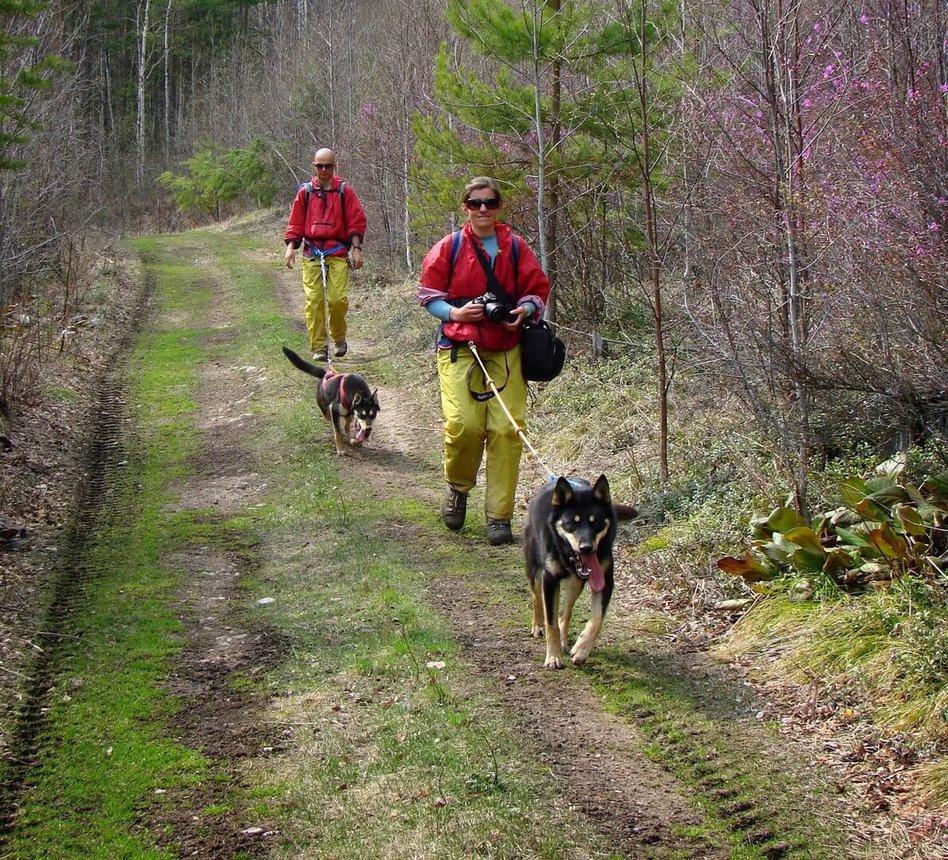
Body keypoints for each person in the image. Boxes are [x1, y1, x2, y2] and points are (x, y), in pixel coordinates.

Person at [417, 177, 551, 546]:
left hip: (506, 350)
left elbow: (536, 289)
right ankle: (458, 489)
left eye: (489, 203)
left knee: (508, 431)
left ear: (498, 207)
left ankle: (499, 516)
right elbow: (428, 295)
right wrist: (456, 313)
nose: (482, 210)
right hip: (460, 349)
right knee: (464, 426)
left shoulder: (516, 247)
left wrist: (523, 310)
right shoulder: (451, 246)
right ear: (465, 207)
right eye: (475, 203)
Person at [284, 147, 367, 361]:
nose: (323, 170)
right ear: (314, 166)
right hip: (312, 252)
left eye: (327, 166)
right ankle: (319, 347)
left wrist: (357, 249)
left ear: (333, 166)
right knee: (314, 301)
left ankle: (339, 338)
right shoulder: (305, 192)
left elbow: (355, 221)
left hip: (337, 251)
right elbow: (295, 223)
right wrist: (291, 247)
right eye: (319, 166)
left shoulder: (344, 191)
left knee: (337, 300)